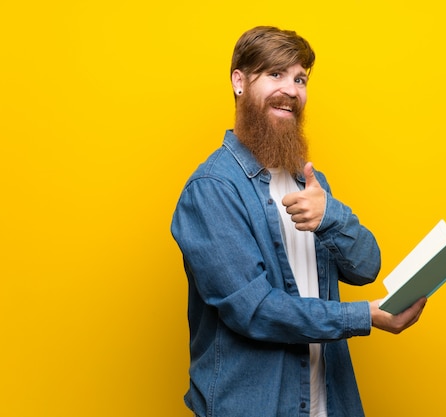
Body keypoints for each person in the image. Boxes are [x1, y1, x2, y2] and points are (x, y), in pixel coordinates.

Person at [171, 26, 427, 417]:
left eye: (300, 79)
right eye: (275, 74)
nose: (291, 90)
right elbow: (254, 310)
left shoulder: (309, 182)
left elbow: (365, 267)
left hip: (327, 405)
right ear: (239, 82)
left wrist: (330, 218)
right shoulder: (213, 189)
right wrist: (366, 316)